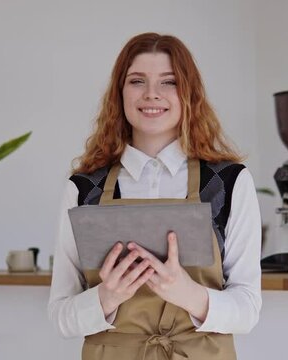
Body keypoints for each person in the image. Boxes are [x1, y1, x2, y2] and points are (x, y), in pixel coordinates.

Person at [48, 32, 262, 360]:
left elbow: (248, 309)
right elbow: (60, 316)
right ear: (119, 93)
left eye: (168, 82)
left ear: (189, 93)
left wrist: (188, 294)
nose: (151, 94)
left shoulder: (229, 183)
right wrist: (106, 296)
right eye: (137, 81)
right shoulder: (83, 189)